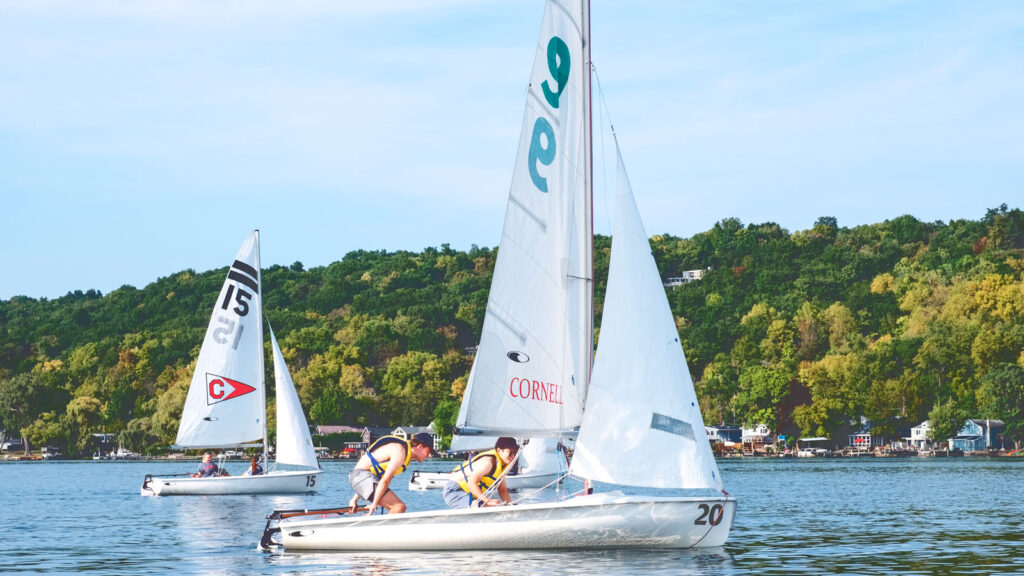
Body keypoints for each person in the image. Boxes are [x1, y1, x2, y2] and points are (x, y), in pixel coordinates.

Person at [348, 432, 434, 515]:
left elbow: (372, 478)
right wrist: (374, 504)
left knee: (398, 507)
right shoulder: (400, 452)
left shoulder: (404, 454)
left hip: (360, 478)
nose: (429, 455)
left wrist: (354, 499)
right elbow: (384, 480)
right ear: (420, 447)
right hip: (361, 477)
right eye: (428, 451)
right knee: (399, 507)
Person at [442, 437, 518, 509]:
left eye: (515, 453)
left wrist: (511, 505)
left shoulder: (502, 466)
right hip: (454, 491)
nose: (513, 456)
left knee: (497, 505)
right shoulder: (487, 463)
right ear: (499, 450)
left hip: (469, 494)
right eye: (510, 453)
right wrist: (488, 501)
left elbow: (502, 490)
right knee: (485, 505)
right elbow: (471, 484)